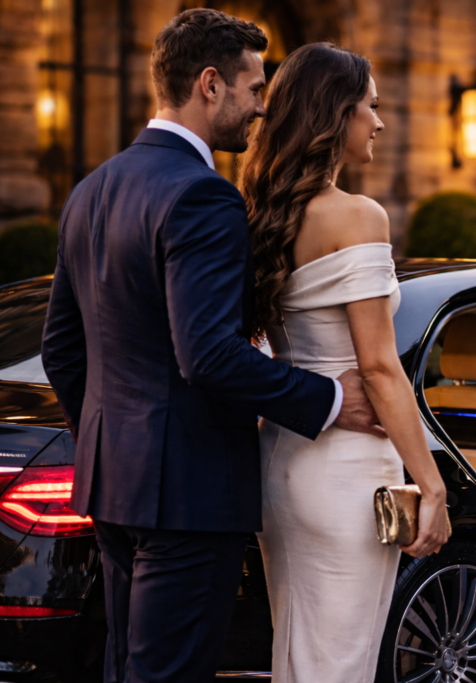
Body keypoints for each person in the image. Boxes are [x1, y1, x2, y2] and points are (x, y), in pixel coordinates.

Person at [40, 10, 384, 682]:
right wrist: (332, 397)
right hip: (190, 500)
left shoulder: (92, 189)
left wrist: (111, 446)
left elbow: (62, 348)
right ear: (209, 85)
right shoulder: (204, 196)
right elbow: (209, 354)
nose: (260, 110)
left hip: (114, 491)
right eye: (254, 91)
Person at [238, 42, 449, 681]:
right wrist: (431, 483)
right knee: (341, 665)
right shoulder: (359, 216)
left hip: (281, 463)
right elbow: (380, 370)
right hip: (348, 474)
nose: (379, 123)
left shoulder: (260, 211)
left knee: (300, 656)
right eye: (370, 107)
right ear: (337, 114)